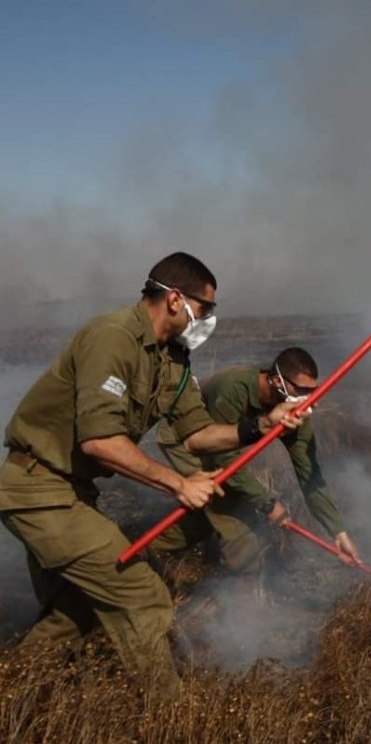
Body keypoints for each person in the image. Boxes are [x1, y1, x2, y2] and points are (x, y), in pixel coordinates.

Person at [0, 252, 307, 698]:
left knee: (80, 606)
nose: (209, 320)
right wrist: (178, 483)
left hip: (73, 492)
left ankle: (12, 691)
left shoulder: (174, 363)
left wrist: (263, 424)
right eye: (206, 309)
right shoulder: (113, 338)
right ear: (177, 300)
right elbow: (99, 441)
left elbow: (198, 435)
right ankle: (171, 718)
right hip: (37, 486)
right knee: (143, 594)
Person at [152, 347, 361, 573]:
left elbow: (309, 473)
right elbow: (222, 458)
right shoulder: (233, 387)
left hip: (220, 449)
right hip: (185, 438)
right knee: (234, 515)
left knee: (211, 508)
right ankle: (244, 588)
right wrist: (267, 502)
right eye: (302, 390)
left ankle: (151, 547)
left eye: (314, 391)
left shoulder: (295, 413)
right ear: (277, 381)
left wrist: (338, 532)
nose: (311, 400)